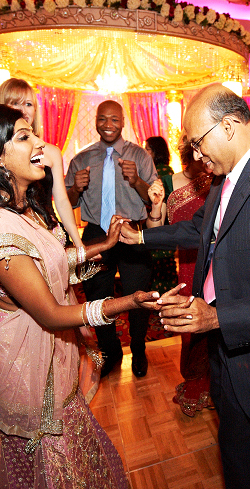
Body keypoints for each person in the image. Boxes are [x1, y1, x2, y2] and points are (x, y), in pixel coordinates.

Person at [121, 83, 250, 488]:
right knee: (244, 437)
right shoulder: (223, 182)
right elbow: (200, 229)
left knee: (242, 451)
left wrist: (218, 319)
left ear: (231, 125)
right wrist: (143, 238)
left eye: (199, 143)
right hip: (226, 345)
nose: (197, 155)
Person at [0, 103, 162, 488]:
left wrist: (103, 245)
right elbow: (49, 313)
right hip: (29, 375)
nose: (41, 143)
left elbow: (51, 261)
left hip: (50, 362)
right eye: (24, 136)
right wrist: (126, 303)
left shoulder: (20, 211)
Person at [65, 100, 158, 378]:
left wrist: (137, 181)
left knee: (138, 296)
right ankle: (110, 351)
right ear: (96, 121)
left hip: (132, 232)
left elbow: (151, 198)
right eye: (103, 119)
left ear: (123, 122)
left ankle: (139, 350)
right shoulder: (81, 159)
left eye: (114, 120)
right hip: (96, 232)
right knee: (97, 296)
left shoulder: (140, 156)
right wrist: (75, 188)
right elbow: (68, 202)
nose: (108, 125)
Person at [145, 135, 213, 417]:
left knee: (216, 325)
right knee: (191, 327)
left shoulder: (219, 181)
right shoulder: (171, 181)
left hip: (218, 265)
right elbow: (157, 227)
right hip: (188, 266)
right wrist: (157, 205)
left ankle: (215, 385)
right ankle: (197, 384)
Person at [0, 77, 84, 247]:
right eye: (15, 103)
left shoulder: (51, 152)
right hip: (11, 232)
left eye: (28, 104)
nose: (23, 111)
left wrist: (78, 243)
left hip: (49, 232)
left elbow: (61, 200)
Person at [144, 135, 179, 296]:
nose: (145, 152)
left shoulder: (161, 173)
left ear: (156, 151)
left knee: (160, 264)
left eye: (148, 149)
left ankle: (162, 301)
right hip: (162, 224)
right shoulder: (164, 170)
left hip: (161, 224)